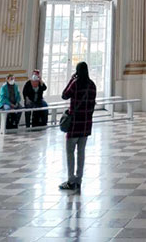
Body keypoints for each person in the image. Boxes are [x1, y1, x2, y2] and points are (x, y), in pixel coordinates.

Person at [60, 61, 96, 192]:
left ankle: (70, 180)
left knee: (70, 153)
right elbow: (93, 104)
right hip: (86, 124)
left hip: (75, 124)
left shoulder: (75, 84)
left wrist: (71, 80)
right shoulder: (92, 85)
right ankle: (79, 179)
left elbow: (64, 95)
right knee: (81, 153)